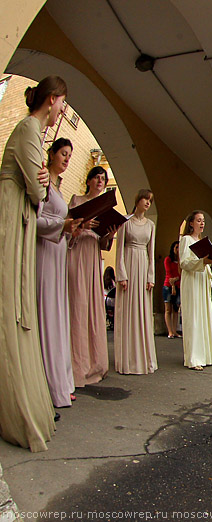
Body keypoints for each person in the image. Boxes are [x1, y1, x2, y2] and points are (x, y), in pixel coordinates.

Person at [0, 75, 67, 451]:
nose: (62, 110)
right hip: (13, 214)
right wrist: (40, 181)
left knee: (17, 302)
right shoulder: (28, 127)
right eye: (62, 103)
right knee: (11, 299)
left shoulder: (34, 133)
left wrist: (40, 181)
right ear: (52, 98)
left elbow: (39, 186)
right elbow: (36, 189)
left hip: (22, 213)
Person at [37, 138, 81, 409]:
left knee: (58, 315)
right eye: (63, 154)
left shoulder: (59, 189)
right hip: (44, 253)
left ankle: (61, 382)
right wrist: (61, 225)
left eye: (69, 156)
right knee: (47, 313)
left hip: (59, 253)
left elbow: (58, 224)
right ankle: (48, 384)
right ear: (51, 154)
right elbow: (34, 219)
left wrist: (71, 228)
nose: (66, 159)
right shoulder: (43, 184)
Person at [68, 166, 116, 387]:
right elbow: (67, 230)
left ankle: (95, 362)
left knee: (91, 308)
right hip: (77, 256)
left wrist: (110, 234)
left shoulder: (105, 208)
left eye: (103, 179)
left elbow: (104, 245)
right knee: (77, 306)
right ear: (88, 180)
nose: (100, 181)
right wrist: (82, 225)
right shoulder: (77, 200)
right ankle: (75, 366)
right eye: (96, 177)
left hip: (93, 258)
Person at [114, 189, 157, 375]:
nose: (147, 203)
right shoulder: (125, 221)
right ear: (138, 199)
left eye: (150, 200)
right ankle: (128, 359)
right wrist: (121, 275)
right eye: (145, 199)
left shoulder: (151, 225)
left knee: (143, 312)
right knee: (128, 311)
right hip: (129, 265)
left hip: (143, 265)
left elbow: (151, 253)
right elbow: (119, 249)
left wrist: (150, 277)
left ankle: (144, 358)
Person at [179, 210, 212, 370]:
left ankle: (207, 355)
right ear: (191, 223)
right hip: (192, 281)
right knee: (194, 317)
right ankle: (194, 358)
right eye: (198, 220)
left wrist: (209, 260)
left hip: (202, 279)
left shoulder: (202, 240)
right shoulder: (186, 240)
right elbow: (184, 263)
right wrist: (202, 262)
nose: (202, 223)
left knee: (204, 315)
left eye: (203, 220)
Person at [163, 241, 181, 339]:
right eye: (176, 247)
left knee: (176, 309)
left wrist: (177, 279)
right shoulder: (168, 259)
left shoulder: (180, 261)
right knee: (168, 309)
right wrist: (173, 285)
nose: (178, 250)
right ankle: (170, 331)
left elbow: (182, 274)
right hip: (168, 286)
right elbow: (169, 273)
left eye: (179, 248)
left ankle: (175, 330)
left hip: (178, 285)